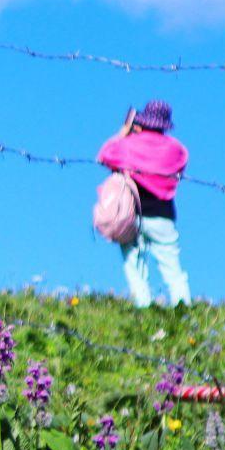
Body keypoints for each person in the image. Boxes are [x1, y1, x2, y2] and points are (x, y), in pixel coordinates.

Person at [98, 100, 191, 308]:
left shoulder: (128, 145)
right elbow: (181, 166)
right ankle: (183, 307)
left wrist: (124, 131)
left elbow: (104, 155)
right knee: (172, 266)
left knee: (134, 265)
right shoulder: (176, 149)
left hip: (131, 213)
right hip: (163, 214)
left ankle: (143, 306)